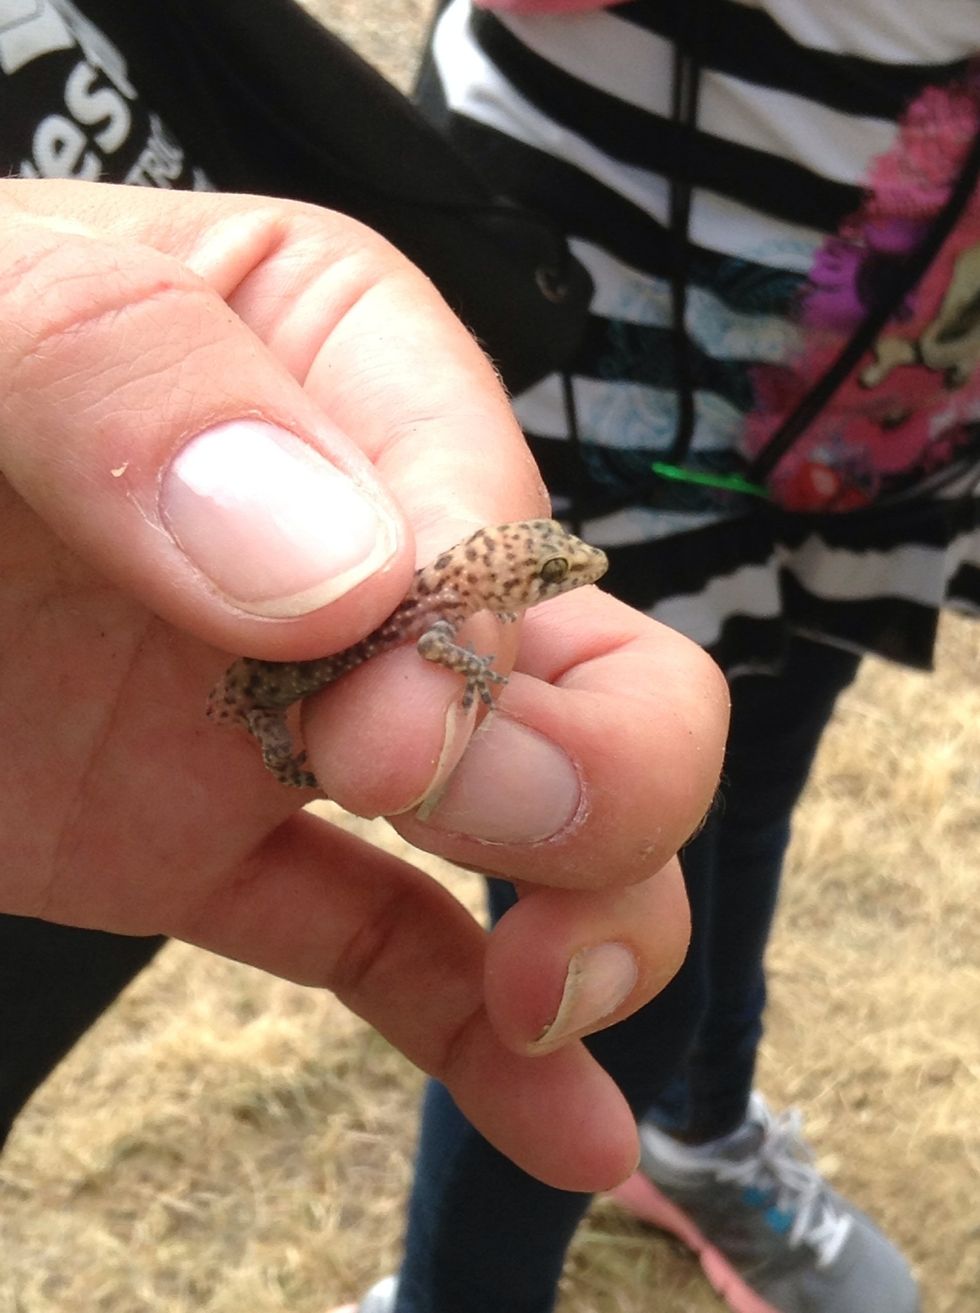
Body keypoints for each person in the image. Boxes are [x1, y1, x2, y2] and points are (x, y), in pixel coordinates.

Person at [0, 2, 729, 1199]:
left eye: (546, 570)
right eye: (543, 571)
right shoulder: (432, 601)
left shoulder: (441, 586)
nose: (553, 579)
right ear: (500, 571)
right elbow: (436, 649)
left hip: (115, 739)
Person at [335, 2, 979, 1312]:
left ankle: (693, 1139)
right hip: (605, 317)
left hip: (887, 369)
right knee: (593, 963)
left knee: (749, 785)